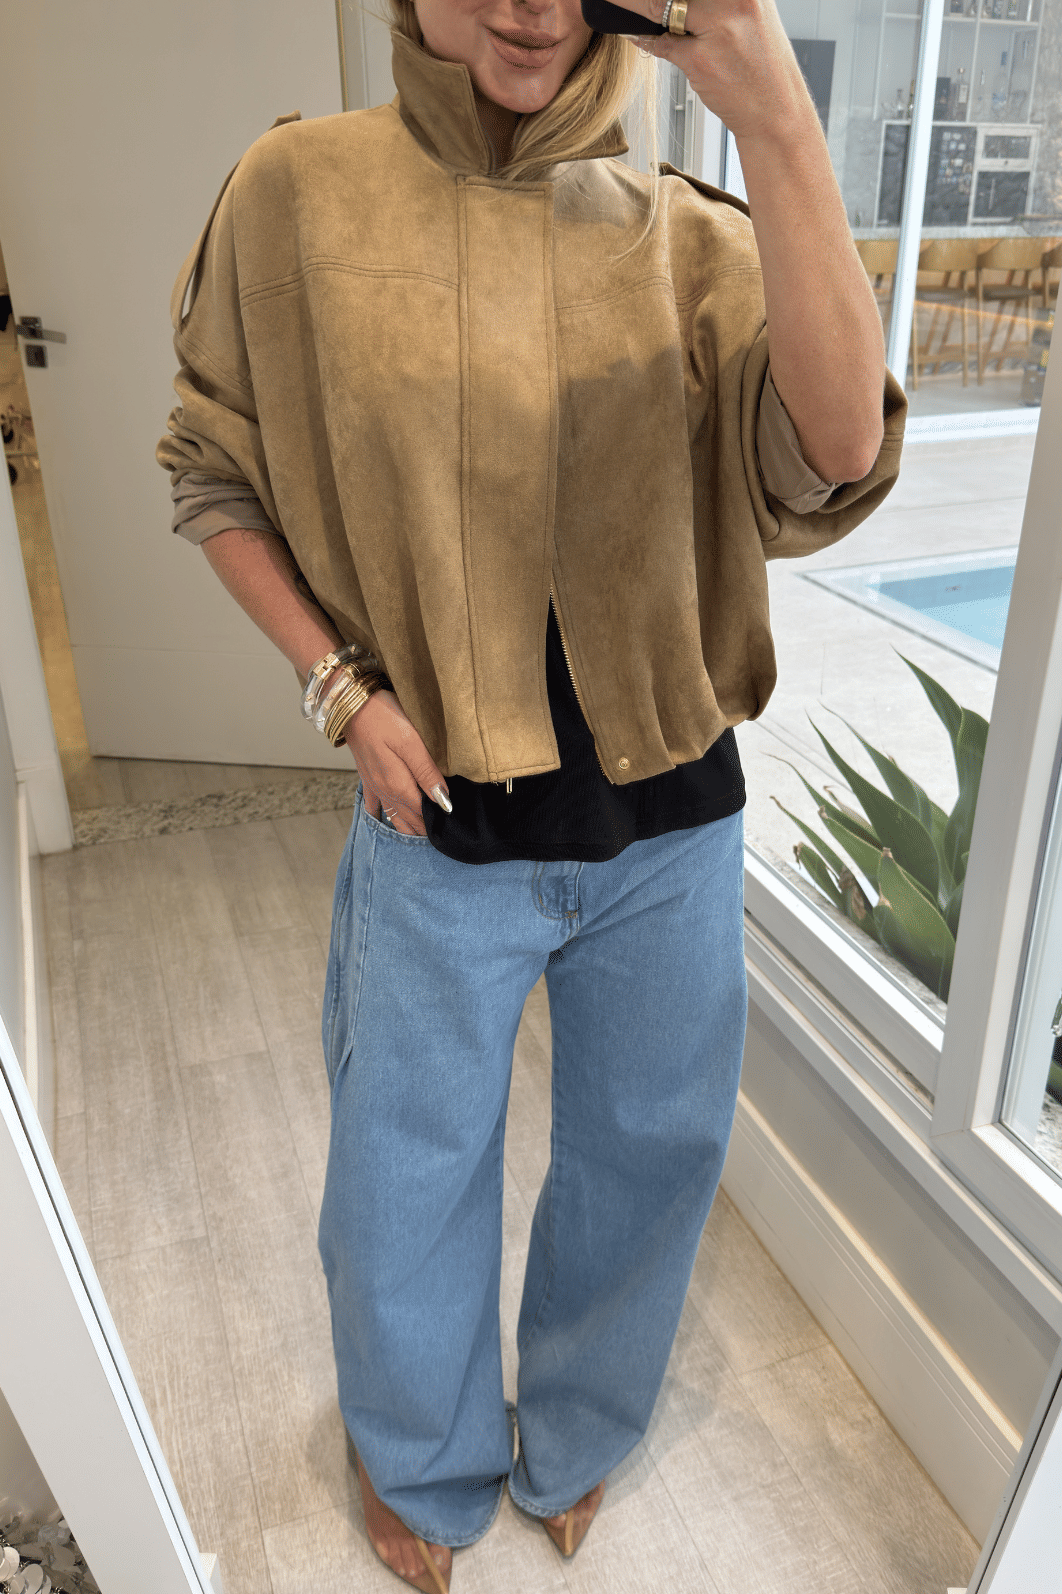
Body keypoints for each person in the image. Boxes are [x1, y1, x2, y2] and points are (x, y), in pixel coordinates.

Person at [157, 0, 905, 1585]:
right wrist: (339, 689)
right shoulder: (299, 194)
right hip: (436, 825)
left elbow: (835, 455)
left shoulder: (689, 234)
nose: (528, 8)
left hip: (672, 828)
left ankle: (575, 1426)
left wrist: (777, 121)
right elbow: (212, 468)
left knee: (647, 1160)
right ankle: (418, 1462)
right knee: (402, 1178)